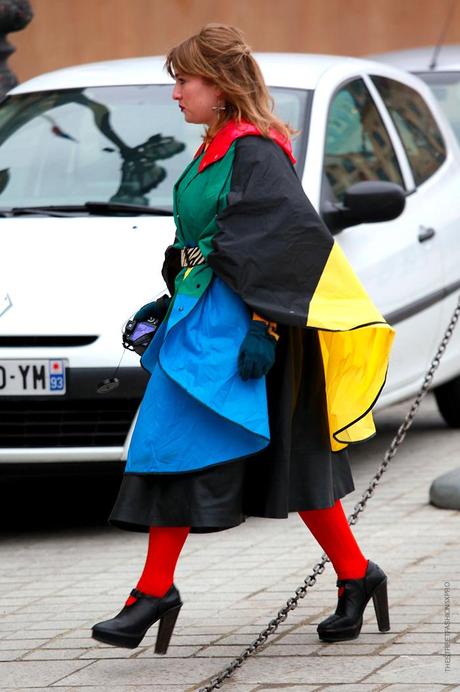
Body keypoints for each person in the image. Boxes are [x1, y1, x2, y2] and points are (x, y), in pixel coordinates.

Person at [92, 23, 395, 654]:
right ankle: (159, 590)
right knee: (177, 444)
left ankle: (352, 577)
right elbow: (210, 241)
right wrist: (170, 293)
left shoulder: (256, 149)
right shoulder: (213, 149)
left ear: (220, 86)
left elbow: (291, 240)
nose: (175, 93)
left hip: (253, 332)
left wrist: (262, 327)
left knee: (290, 461)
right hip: (205, 323)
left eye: (184, 80)